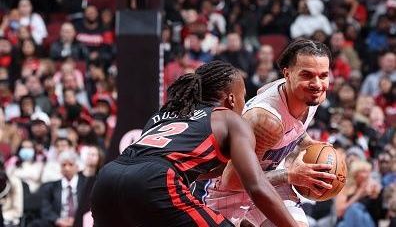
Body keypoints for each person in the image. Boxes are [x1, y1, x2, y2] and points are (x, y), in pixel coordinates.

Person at [91, 60, 298, 227]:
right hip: (155, 180)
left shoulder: (162, 115)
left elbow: (189, 165)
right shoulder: (229, 119)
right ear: (232, 99)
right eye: (244, 97)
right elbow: (256, 186)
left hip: (107, 180)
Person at [205, 40, 336, 226]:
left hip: (268, 178)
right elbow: (232, 181)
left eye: (323, 76)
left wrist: (307, 142)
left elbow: (264, 91)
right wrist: (290, 175)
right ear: (287, 74)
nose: (317, 84)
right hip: (228, 192)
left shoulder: (310, 95)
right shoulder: (266, 121)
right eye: (307, 75)